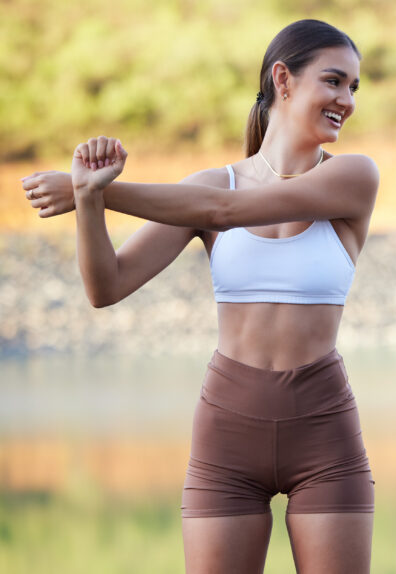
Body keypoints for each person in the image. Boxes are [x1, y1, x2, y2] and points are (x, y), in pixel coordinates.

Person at [22, 19, 377, 574]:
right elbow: (105, 287)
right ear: (283, 79)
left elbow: (223, 215)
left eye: (354, 87)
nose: (347, 100)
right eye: (334, 82)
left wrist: (94, 190)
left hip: (324, 434)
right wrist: (89, 203)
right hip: (228, 434)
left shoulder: (354, 178)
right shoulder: (213, 184)